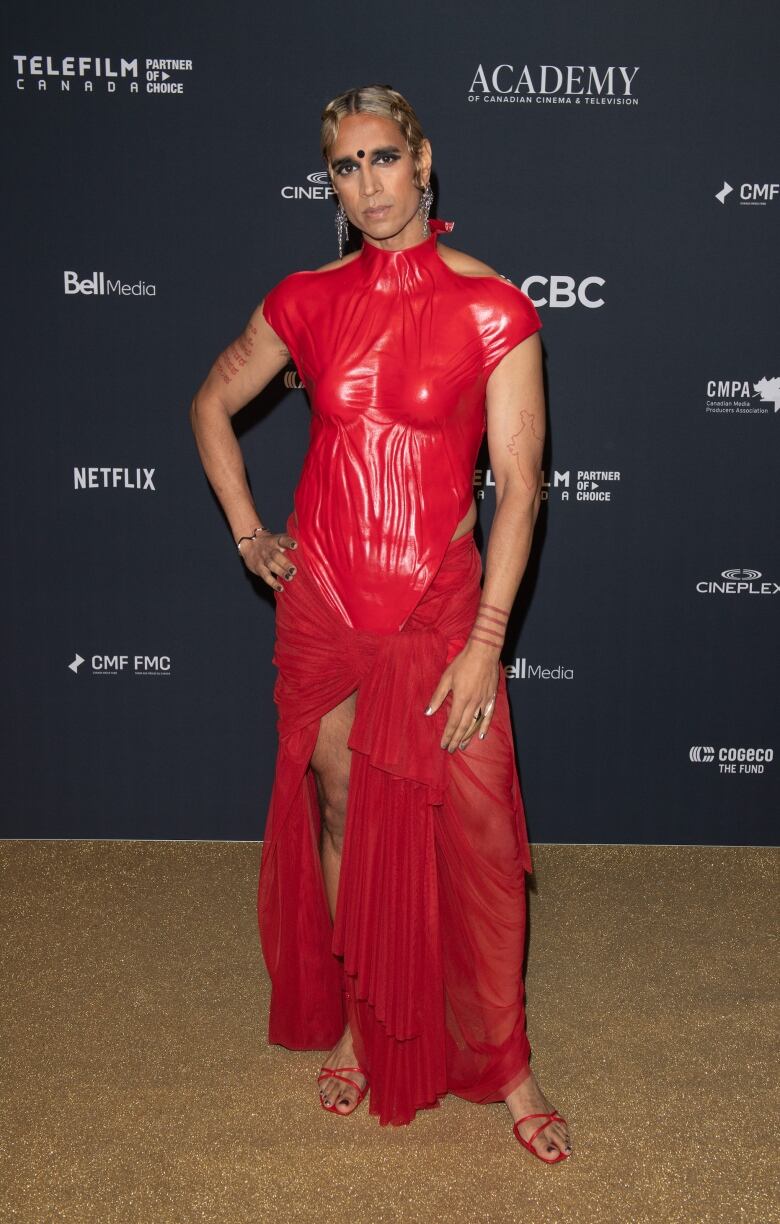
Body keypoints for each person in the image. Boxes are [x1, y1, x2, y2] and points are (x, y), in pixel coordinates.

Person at [189, 84, 572, 1163]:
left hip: (441, 606)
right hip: (326, 606)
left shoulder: (495, 307)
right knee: (344, 808)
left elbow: (520, 482)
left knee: (486, 833)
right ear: (332, 183)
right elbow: (211, 404)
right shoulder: (306, 298)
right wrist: (248, 533)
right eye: (346, 167)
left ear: (425, 161)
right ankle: (363, 1028)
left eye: (385, 158)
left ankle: (510, 1066)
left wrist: (489, 641)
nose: (369, 184)